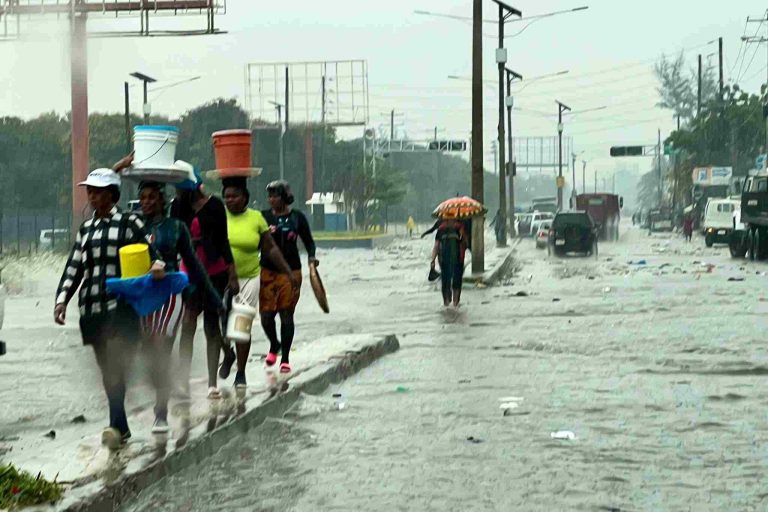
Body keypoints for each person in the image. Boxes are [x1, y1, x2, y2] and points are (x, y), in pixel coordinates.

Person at [54, 166, 166, 449]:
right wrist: (61, 299)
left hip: (122, 307)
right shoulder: (86, 229)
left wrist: (157, 266)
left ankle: (115, 425)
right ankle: (121, 424)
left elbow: (151, 254)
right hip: (91, 308)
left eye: (98, 192)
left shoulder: (130, 223)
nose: (91, 196)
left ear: (112, 195)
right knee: (107, 369)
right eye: (89, 191)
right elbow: (75, 267)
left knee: (117, 362)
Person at [137, 180, 222, 431]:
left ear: (163, 200)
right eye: (143, 197)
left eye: (153, 197)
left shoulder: (177, 228)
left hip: (170, 296)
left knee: (163, 348)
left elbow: (194, 265)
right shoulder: (133, 226)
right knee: (147, 353)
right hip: (141, 295)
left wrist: (214, 297)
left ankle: (160, 413)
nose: (147, 202)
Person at [222, 177, 297, 387]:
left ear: (245, 197)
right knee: (219, 326)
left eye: (235, 196)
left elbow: (270, 248)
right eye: (227, 196)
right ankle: (227, 354)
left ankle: (241, 373)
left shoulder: (256, 218)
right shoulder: (219, 216)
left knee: (241, 325)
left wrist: (288, 272)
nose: (230, 200)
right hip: (220, 278)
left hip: (249, 278)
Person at [171, 170, 238, 399]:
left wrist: (232, 272)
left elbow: (223, 240)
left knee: (211, 325)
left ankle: (212, 383)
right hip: (189, 272)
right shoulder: (177, 207)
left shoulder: (215, 205)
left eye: (181, 189)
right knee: (188, 323)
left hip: (214, 271)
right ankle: (183, 380)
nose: (178, 193)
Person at [260, 180, 318, 374]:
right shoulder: (263, 217)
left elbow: (309, 242)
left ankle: (284, 358)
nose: (271, 200)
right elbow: (256, 242)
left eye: (275, 195)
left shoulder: (298, 218)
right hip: (267, 271)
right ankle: (273, 344)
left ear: (285, 197)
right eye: (269, 196)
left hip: (292, 272)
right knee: (266, 316)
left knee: (286, 313)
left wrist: (312, 258)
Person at [430, 218, 468, 308]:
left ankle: (449, 306)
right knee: (452, 283)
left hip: (450, 260)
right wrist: (433, 260)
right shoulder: (457, 228)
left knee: (450, 283)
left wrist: (433, 260)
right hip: (452, 260)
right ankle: (453, 305)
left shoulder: (443, 229)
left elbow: (436, 246)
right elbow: (465, 244)